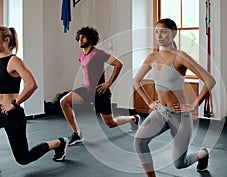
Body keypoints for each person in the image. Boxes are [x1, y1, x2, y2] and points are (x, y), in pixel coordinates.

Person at [133, 18, 216, 177]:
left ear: (173, 33)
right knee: (139, 141)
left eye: (163, 31)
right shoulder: (152, 57)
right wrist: (149, 102)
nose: (159, 35)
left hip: (179, 115)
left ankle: (203, 154)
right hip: (161, 111)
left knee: (180, 163)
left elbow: (210, 80)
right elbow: (136, 80)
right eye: (156, 32)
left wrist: (194, 105)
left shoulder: (180, 56)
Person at [0, 26, 68, 167]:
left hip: (10, 113)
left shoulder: (13, 61)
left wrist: (14, 103)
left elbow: (32, 84)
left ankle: (59, 143)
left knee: (23, 158)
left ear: (6, 40)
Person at [60, 26, 140, 146]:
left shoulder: (98, 53)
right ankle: (77, 134)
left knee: (110, 123)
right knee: (64, 102)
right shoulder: (82, 55)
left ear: (90, 39)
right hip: (86, 89)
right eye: (79, 37)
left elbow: (119, 64)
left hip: (100, 92)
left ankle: (133, 118)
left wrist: (108, 83)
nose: (80, 40)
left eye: (83, 37)